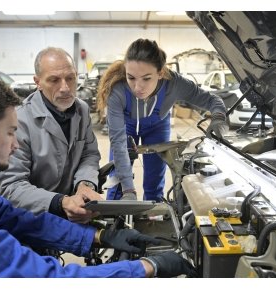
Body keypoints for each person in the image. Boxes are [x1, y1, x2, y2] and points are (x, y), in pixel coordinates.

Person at [0, 75, 196, 278]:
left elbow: (17, 219)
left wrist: (99, 237)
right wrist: (147, 267)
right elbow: (46, 278)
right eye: (10, 132)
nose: (15, 144)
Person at [97, 38, 228, 201]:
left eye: (146, 78)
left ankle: (153, 215)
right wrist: (128, 190)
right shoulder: (117, 91)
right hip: (126, 126)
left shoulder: (175, 84)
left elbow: (212, 100)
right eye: (131, 78)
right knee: (118, 178)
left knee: (155, 177)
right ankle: (116, 211)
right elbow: (118, 143)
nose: (138, 87)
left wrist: (219, 118)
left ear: (160, 73)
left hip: (157, 126)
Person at [0, 47, 102, 224]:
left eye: (70, 78)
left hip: (59, 207)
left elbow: (89, 154)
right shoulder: (18, 121)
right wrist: (60, 202)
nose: (65, 88)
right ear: (38, 82)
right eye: (54, 80)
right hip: (15, 215)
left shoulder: (82, 110)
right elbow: (11, 186)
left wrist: (85, 184)